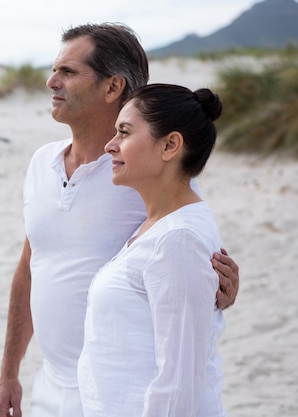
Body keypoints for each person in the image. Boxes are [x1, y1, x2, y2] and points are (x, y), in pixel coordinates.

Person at [0, 23, 239, 417]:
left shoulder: (142, 175)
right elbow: (31, 266)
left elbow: (187, 250)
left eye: (68, 72)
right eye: (55, 69)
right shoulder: (41, 163)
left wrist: (220, 286)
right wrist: (9, 372)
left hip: (116, 394)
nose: (51, 81)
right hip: (49, 386)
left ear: (112, 88)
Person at [77, 84, 227, 416]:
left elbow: (179, 385)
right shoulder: (160, 229)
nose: (110, 145)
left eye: (124, 132)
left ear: (171, 145)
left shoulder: (178, 239)